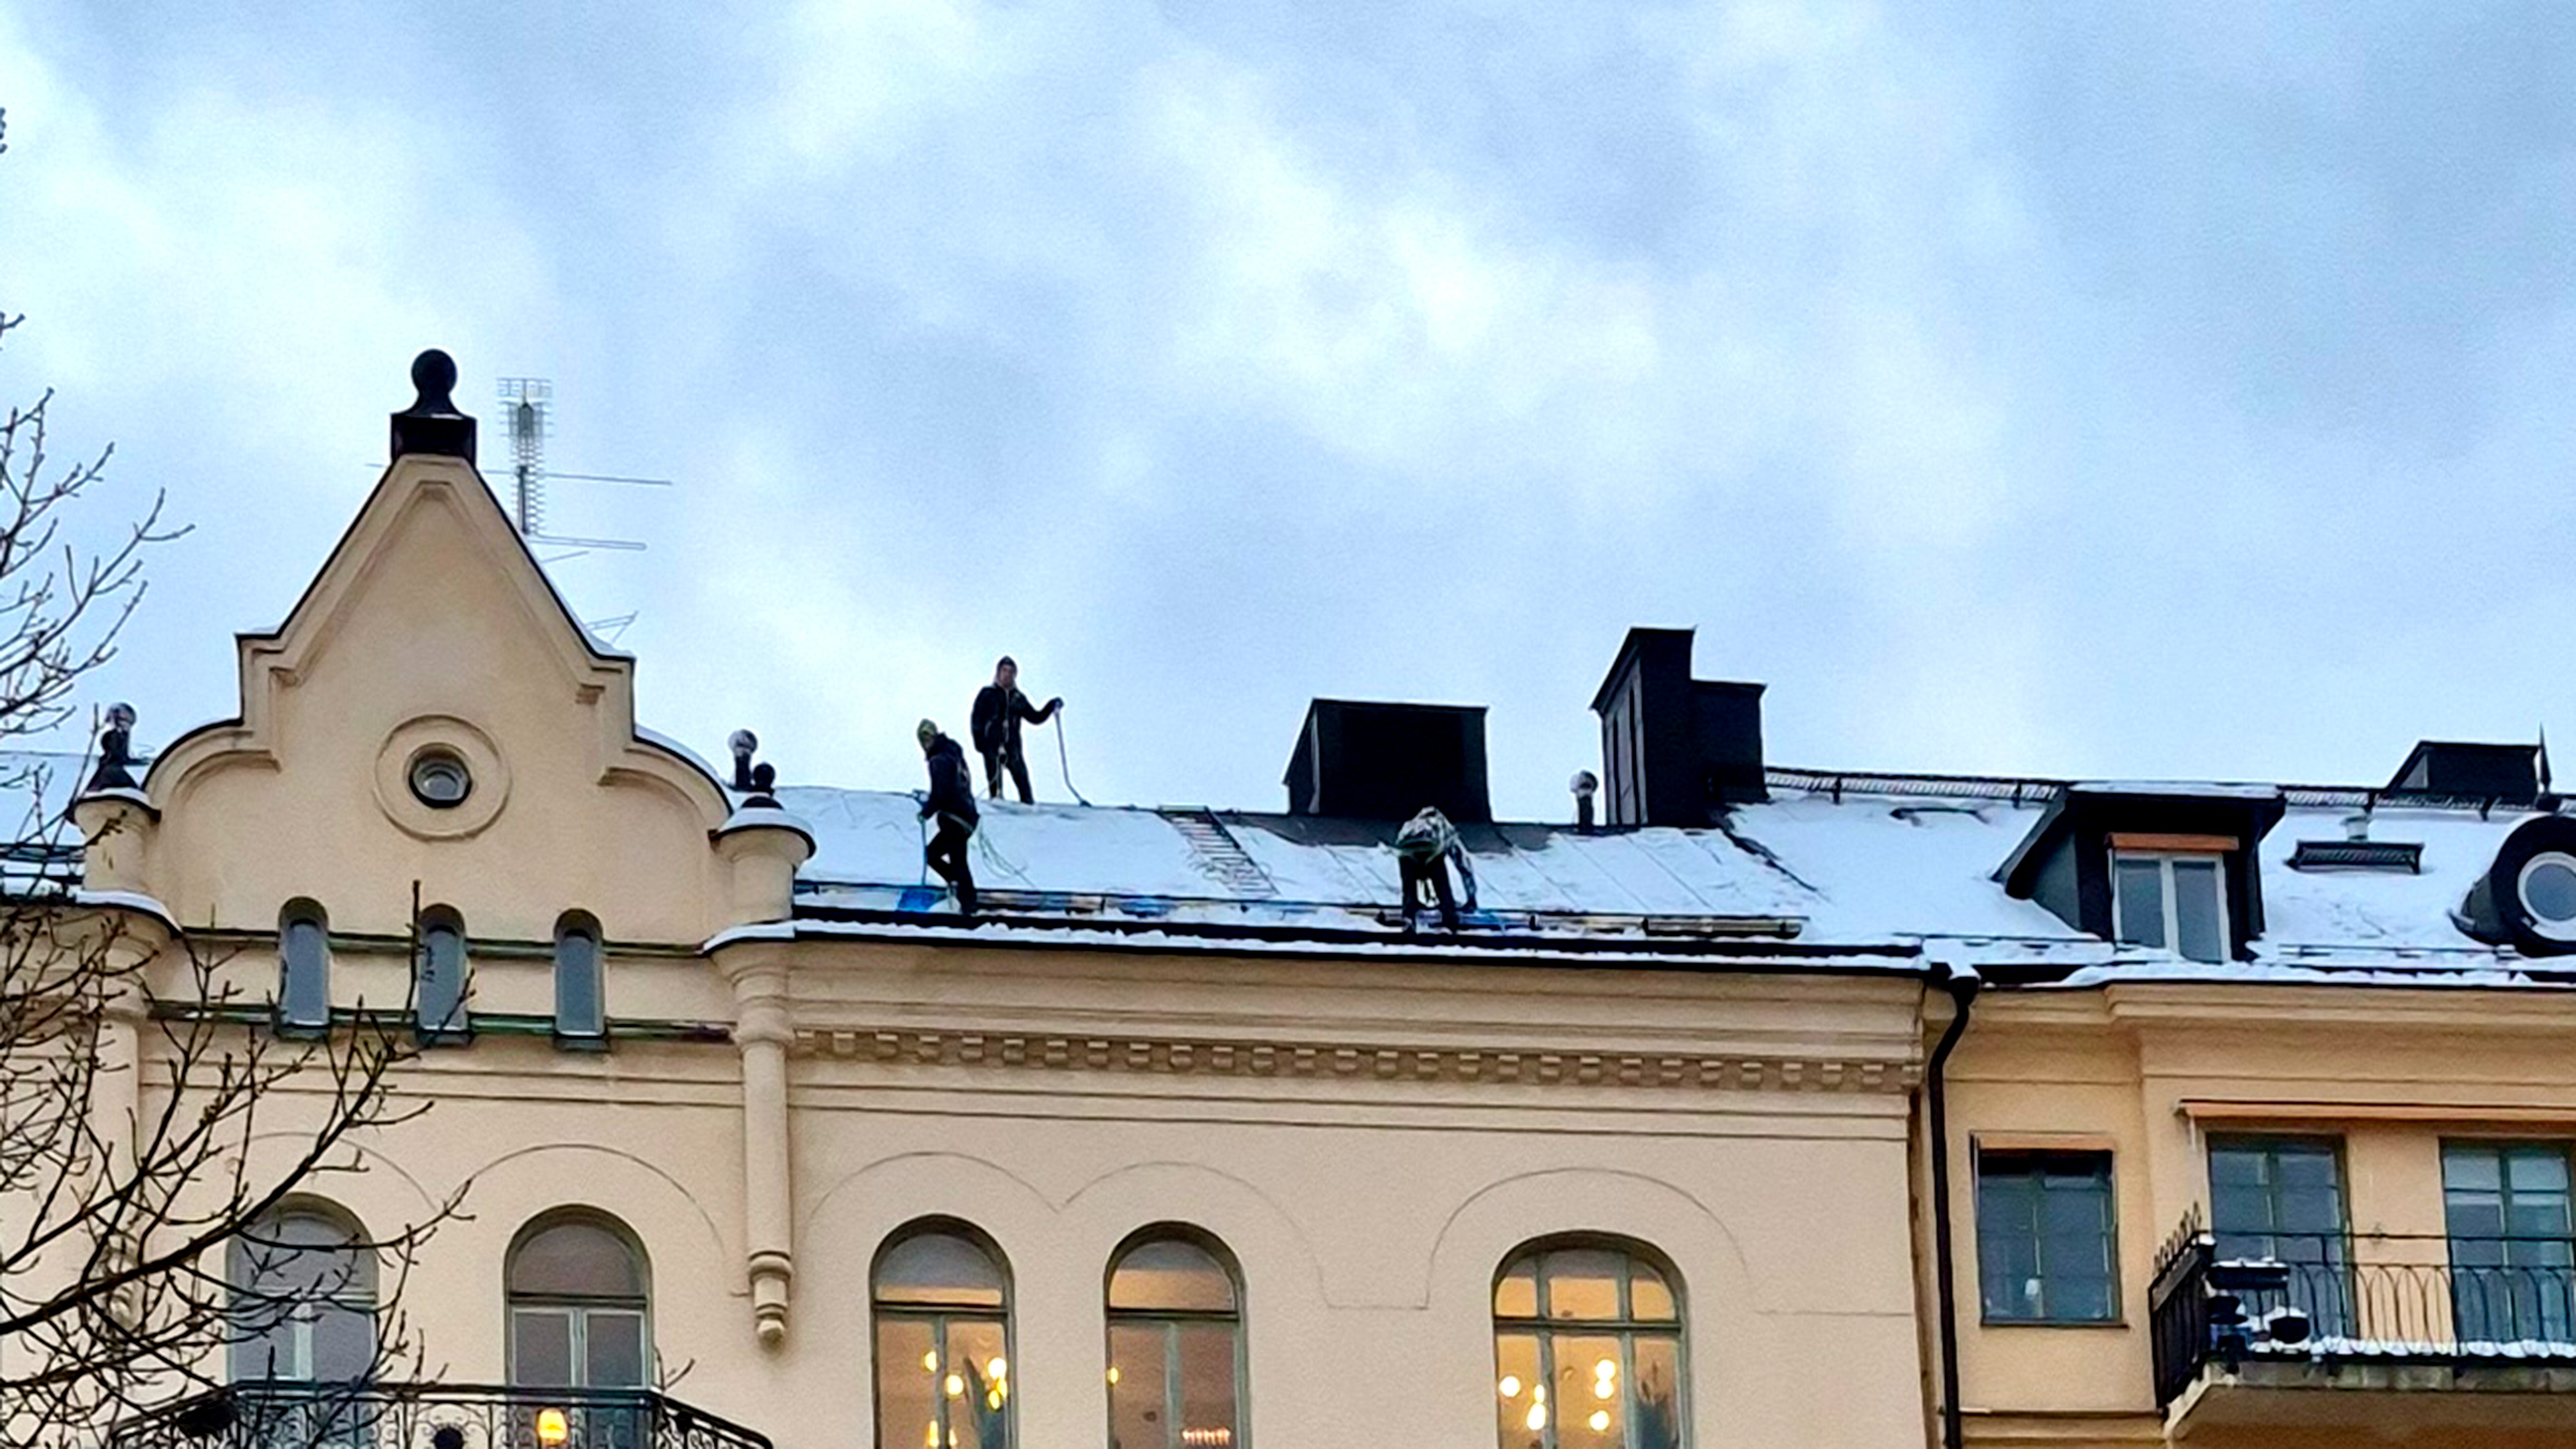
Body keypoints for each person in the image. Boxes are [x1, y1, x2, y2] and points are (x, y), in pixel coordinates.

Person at [971, 656, 1063, 804]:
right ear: (998, 673)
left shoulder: (1018, 698)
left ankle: (1029, 807)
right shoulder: (987, 694)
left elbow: (1035, 717)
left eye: (1011, 672)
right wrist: (979, 741)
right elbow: (976, 718)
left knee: (1023, 783)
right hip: (992, 746)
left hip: (1013, 748)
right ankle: (997, 806)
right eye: (1004, 671)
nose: (1007, 675)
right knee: (995, 787)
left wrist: (1050, 707)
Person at [916, 719, 980, 914]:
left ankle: (969, 903)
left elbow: (941, 792)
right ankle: (958, 885)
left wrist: (926, 812)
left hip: (954, 817)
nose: (925, 744)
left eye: (926, 738)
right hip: (966, 815)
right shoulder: (954, 755)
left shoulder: (939, 760)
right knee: (935, 855)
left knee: (956, 860)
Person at [1393, 806, 1479, 933]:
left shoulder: (1410, 825)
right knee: (1442, 886)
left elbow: (1400, 847)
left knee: (1409, 889)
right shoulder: (1445, 827)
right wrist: (1471, 899)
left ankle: (1409, 917)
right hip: (1431, 848)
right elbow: (1464, 865)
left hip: (1406, 851)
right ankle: (1449, 921)